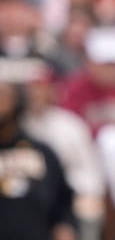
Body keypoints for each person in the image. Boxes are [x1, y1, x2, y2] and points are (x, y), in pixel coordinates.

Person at [0, 77, 77, 240]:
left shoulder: (42, 152)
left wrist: (65, 226)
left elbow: (63, 200)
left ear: (17, 101)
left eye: (3, 95)